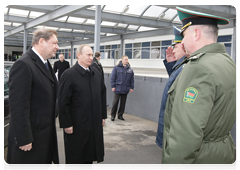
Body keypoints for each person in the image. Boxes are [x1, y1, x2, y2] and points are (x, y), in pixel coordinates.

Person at [161, 7, 238, 170]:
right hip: (221, 156)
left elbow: (185, 136)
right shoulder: (227, 62)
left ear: (196, 33)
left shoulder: (198, 68)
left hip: (200, 160)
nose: (181, 42)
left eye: (184, 35)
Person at [7, 28, 60, 169]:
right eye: (54, 43)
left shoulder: (45, 63)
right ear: (42, 41)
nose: (57, 47)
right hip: (29, 142)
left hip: (42, 138)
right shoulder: (24, 64)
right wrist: (23, 138)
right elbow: (18, 106)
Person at [58, 44, 107, 170]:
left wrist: (102, 116)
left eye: (92, 55)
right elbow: (63, 101)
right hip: (76, 125)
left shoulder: (96, 73)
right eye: (88, 55)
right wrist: (66, 123)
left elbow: (102, 94)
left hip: (93, 124)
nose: (91, 58)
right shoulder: (69, 74)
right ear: (79, 55)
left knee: (89, 157)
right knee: (75, 160)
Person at [156, 26, 187, 148]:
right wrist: (171, 65)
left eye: (175, 46)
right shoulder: (181, 66)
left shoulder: (188, 66)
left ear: (184, 46)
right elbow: (175, 83)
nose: (172, 50)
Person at [110, 55, 134, 121]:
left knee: (123, 103)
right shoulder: (116, 68)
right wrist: (113, 86)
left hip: (125, 88)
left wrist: (131, 87)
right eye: (125, 59)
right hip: (118, 88)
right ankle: (113, 115)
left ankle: (120, 115)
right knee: (115, 103)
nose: (126, 61)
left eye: (127, 59)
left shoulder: (130, 69)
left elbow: (132, 79)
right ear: (122, 60)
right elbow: (113, 78)